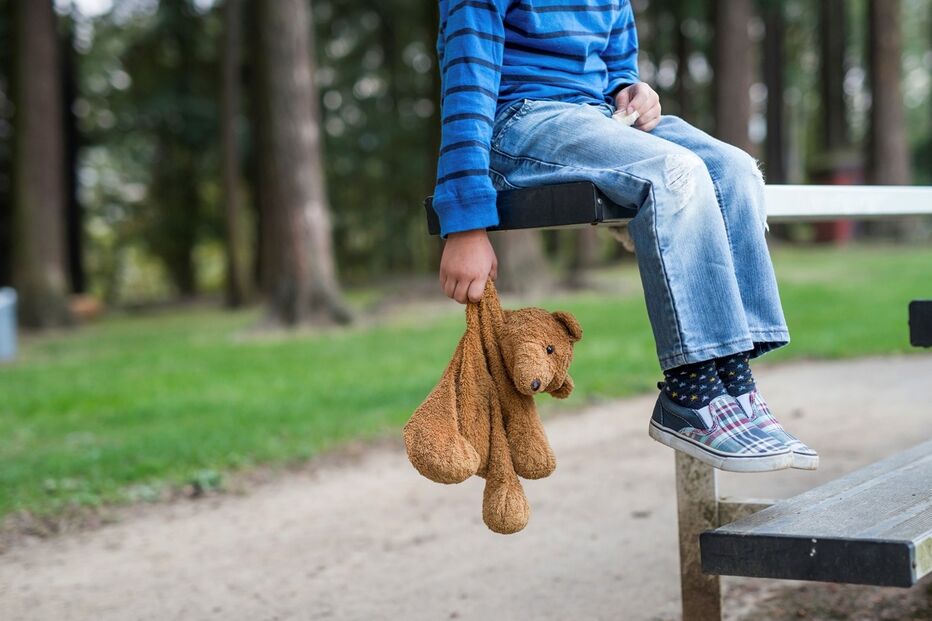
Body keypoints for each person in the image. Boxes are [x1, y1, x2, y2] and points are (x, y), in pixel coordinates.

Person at [431, 0, 817, 472]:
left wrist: (632, 92)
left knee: (733, 170)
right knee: (673, 169)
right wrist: (465, 223)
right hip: (517, 123)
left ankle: (734, 384)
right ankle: (692, 391)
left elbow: (617, 67)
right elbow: (466, 86)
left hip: (598, 119)